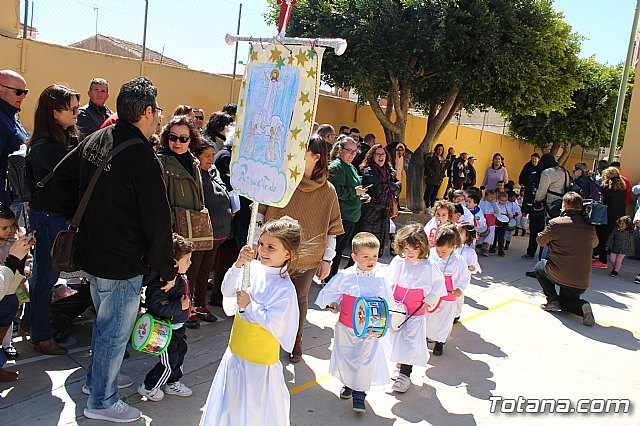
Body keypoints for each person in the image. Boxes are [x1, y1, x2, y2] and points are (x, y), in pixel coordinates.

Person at [54, 77, 176, 423]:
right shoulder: (141, 156)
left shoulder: (96, 137)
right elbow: (157, 222)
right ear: (148, 111)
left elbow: (62, 180)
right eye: (157, 111)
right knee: (112, 331)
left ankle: (96, 382)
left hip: (93, 254)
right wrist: (167, 270)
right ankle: (102, 401)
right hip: (120, 262)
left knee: (104, 325)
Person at [200, 219, 301, 426]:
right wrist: (238, 265)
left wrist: (250, 305)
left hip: (259, 364)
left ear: (287, 254)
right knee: (230, 408)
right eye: (261, 244)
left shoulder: (284, 288)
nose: (263, 250)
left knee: (254, 412)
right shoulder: (251, 268)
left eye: (271, 247)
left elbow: (275, 323)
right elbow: (227, 290)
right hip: (235, 356)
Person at [257, 135, 343, 362]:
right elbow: (260, 211)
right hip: (273, 253)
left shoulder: (328, 191)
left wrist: (328, 259)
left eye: (301, 152)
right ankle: (268, 340)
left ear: (316, 158)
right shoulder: (281, 181)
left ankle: (296, 341)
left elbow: (332, 228)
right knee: (267, 297)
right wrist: (256, 242)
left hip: (307, 256)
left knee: (298, 298)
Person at [25, 84, 80, 355]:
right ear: (54, 112)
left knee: (42, 276)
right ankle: (42, 336)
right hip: (49, 217)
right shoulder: (48, 148)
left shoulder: (62, 141)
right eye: (72, 109)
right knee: (46, 277)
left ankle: (33, 324)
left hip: (52, 216)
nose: (76, 113)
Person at [314, 232, 393, 413]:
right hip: (346, 328)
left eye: (374, 255)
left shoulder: (380, 279)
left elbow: (388, 303)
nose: (371, 260)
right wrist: (333, 303)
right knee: (347, 357)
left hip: (369, 330)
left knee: (365, 360)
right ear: (354, 257)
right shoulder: (345, 276)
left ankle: (360, 393)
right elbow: (332, 293)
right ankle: (349, 384)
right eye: (366, 256)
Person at [156, 115, 205, 329]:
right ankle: (168, 323)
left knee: (186, 275)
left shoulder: (193, 161)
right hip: (172, 231)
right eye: (173, 137)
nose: (177, 142)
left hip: (190, 230)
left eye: (183, 138)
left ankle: (184, 312)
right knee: (168, 280)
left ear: (191, 140)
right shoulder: (160, 161)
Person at [386, 224, 446, 393]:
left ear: (423, 247)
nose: (410, 252)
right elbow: (388, 281)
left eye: (415, 248)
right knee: (397, 339)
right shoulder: (398, 261)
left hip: (415, 311)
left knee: (410, 342)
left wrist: (432, 297)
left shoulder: (428, 266)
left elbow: (439, 283)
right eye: (406, 248)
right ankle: (399, 365)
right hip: (397, 310)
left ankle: (405, 374)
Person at [138, 234, 194, 401]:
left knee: (180, 354)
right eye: (187, 260)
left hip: (178, 328)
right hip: (164, 331)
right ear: (173, 263)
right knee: (168, 363)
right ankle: (148, 386)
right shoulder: (162, 283)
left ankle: (173, 383)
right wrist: (180, 307)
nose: (190, 263)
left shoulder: (180, 278)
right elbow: (157, 307)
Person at [534, 192, 598, 326]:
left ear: (564, 206)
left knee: (539, 266)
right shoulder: (590, 226)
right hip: (581, 280)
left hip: (558, 273)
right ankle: (583, 306)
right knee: (568, 303)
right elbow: (595, 243)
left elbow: (540, 240)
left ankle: (552, 300)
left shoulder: (556, 223)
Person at [188, 140, 232, 322]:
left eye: (213, 155)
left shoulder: (213, 172)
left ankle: (199, 304)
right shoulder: (193, 174)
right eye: (207, 155)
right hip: (200, 233)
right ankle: (188, 307)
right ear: (196, 156)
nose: (211, 159)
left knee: (205, 271)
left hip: (217, 233)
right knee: (193, 271)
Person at [328, 138, 370, 279]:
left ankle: (333, 276)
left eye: (354, 151)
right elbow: (335, 191)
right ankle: (329, 277)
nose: (352, 154)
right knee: (335, 250)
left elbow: (354, 188)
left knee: (340, 249)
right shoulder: (336, 167)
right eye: (349, 151)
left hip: (351, 215)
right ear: (340, 150)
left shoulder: (351, 167)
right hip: (341, 216)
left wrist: (362, 196)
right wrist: (354, 192)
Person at [426, 225, 470, 356]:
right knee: (430, 318)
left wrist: (460, 289)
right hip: (433, 293)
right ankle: (428, 337)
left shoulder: (458, 260)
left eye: (444, 252)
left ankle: (440, 342)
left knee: (444, 320)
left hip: (448, 295)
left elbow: (465, 276)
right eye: (438, 251)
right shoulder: (432, 254)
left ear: (453, 247)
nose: (440, 254)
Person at [355, 144, 401, 256]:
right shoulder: (368, 171)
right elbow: (377, 189)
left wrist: (390, 185)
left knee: (378, 247)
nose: (381, 157)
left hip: (384, 212)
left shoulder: (389, 171)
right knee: (366, 244)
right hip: (371, 212)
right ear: (372, 156)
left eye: (383, 154)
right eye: (378, 154)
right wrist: (391, 185)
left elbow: (398, 188)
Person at [0, 233, 34, 382]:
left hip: (8, 286)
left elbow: (7, 288)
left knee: (10, 302)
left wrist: (21, 261)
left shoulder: (14, 238)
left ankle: (4, 351)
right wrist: (13, 260)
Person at [0, 205, 30, 362]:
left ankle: (7, 344)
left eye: (12, 226)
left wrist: (26, 270)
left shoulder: (17, 239)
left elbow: (27, 259)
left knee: (9, 315)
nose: (8, 231)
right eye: (3, 227)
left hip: (13, 285)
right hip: (2, 284)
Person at [0, 70, 29, 207]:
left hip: (16, 196)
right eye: (18, 92)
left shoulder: (11, 115)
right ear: (1, 90)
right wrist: (5, 203)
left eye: (25, 92)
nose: (23, 96)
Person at [594, 167, 628, 269]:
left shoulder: (607, 188)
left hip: (607, 217)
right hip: (618, 217)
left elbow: (601, 200)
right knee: (609, 238)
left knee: (603, 237)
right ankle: (603, 258)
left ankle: (602, 260)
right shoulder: (622, 188)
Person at [455, 222, 481, 323]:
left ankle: (456, 314)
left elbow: (474, 266)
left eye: (460, 232)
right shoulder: (453, 247)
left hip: (462, 278)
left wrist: (470, 267)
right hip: (451, 276)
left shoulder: (470, 252)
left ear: (467, 237)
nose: (457, 233)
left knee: (458, 296)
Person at [535, 153, 570, 220]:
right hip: (564, 205)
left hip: (551, 204)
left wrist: (537, 201)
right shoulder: (565, 172)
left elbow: (542, 190)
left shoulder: (547, 172)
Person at [423, 144, 446, 212]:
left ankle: (433, 207)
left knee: (434, 195)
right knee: (428, 193)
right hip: (431, 179)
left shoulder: (442, 159)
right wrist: (432, 174)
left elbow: (443, 168)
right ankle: (427, 207)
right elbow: (427, 166)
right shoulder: (432, 157)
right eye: (438, 149)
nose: (440, 151)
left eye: (441, 149)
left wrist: (442, 176)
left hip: (438, 180)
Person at [479, 189, 499, 257]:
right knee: (483, 235)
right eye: (491, 197)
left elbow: (497, 212)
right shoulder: (482, 203)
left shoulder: (495, 204)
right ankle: (482, 248)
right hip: (484, 222)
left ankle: (487, 249)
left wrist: (494, 204)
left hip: (491, 223)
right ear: (486, 197)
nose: (492, 199)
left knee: (489, 236)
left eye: (494, 197)